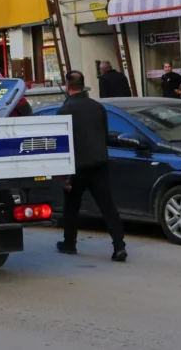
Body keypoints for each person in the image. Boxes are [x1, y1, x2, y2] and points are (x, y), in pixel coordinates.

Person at [57, 71, 127, 262]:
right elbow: (104, 135)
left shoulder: (64, 110)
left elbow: (62, 144)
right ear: (83, 85)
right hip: (99, 163)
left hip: (77, 166)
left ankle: (69, 243)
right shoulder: (98, 107)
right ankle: (119, 246)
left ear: (67, 86)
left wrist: (64, 176)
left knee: (71, 207)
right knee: (107, 206)